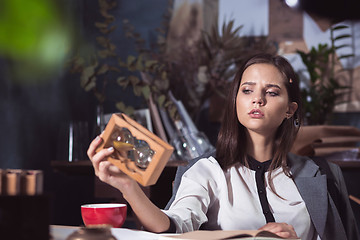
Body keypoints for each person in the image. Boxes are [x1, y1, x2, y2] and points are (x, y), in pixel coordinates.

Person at [87, 53, 359, 240]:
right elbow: (172, 228)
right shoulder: (207, 170)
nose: (258, 100)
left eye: (272, 92)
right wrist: (127, 186)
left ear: (290, 109)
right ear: (236, 101)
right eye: (247, 90)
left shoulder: (323, 175)